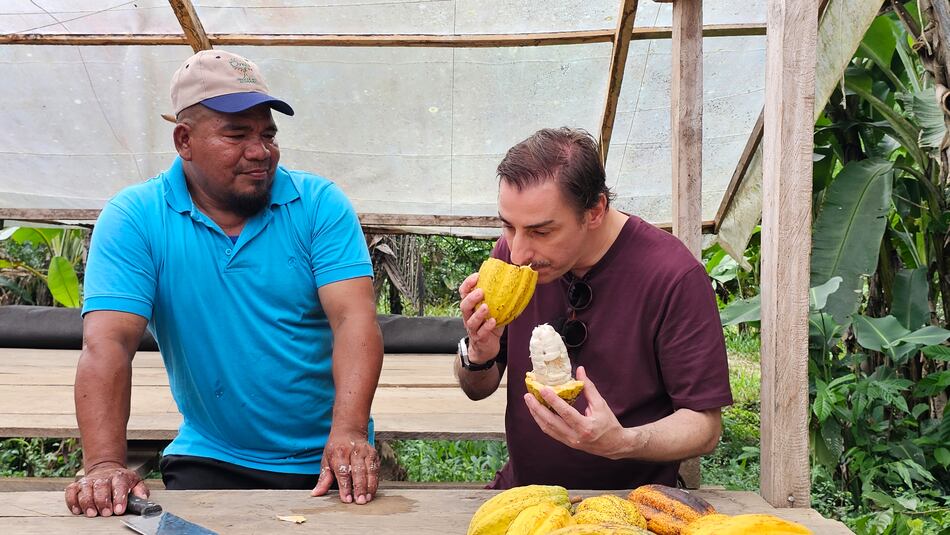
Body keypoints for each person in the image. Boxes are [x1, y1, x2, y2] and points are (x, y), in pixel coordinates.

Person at [65, 50, 384, 518]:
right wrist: (104, 464)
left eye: (268, 134)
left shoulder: (318, 205)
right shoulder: (136, 218)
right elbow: (108, 343)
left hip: (329, 454)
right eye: (236, 134)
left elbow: (354, 319)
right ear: (184, 140)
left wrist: (351, 433)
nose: (260, 150)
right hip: (212, 453)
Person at [456, 127, 733, 490]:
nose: (519, 251)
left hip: (632, 509)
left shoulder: (673, 277)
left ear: (595, 210)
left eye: (541, 232)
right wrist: (479, 354)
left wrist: (622, 442)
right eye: (508, 226)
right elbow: (477, 388)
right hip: (525, 498)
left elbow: (705, 426)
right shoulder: (509, 254)